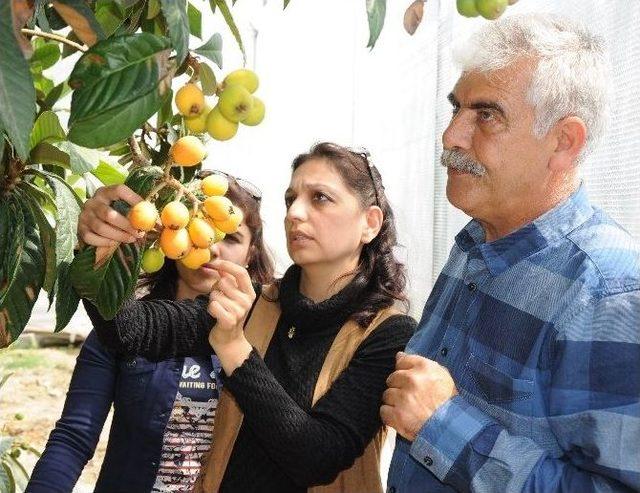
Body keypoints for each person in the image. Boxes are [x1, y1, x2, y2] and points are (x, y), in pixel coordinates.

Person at [58, 143, 416, 493]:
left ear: (370, 223)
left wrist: (233, 348)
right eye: (291, 199)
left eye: (319, 198)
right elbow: (130, 330)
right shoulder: (254, 304)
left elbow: (316, 457)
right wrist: (102, 246)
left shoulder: (387, 333)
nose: (294, 213)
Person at [382, 13, 640, 493]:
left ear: (564, 142)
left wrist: (442, 426)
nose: (451, 136)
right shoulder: (477, 244)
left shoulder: (609, 296)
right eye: (455, 107)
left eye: (486, 115)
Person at [27, 173, 275, 493]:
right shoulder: (122, 327)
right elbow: (73, 440)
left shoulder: (271, 333)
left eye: (230, 238)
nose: (211, 248)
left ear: (252, 252)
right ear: (168, 236)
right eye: (198, 231)